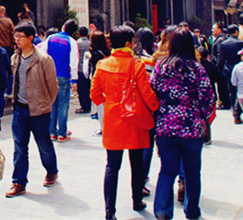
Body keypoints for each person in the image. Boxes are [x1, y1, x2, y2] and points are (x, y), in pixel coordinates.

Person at [90, 25, 159, 220]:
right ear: (129, 43)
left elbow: (94, 95)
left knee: (112, 166)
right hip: (134, 119)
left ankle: (109, 211)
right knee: (136, 163)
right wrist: (156, 107)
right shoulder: (136, 65)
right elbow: (146, 93)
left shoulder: (102, 65)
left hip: (113, 121)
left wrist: (110, 102)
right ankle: (137, 200)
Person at [151, 29, 215, 220]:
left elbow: (152, 93)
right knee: (192, 172)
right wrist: (202, 117)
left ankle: (162, 211)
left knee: (167, 171)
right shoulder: (197, 69)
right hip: (191, 128)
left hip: (166, 127)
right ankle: (192, 210)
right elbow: (207, 98)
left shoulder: (161, 67)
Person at [6, 21, 59, 198]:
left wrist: (45, 104)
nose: (16, 39)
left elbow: (53, 87)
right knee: (19, 147)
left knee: (44, 144)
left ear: (30, 38)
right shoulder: (15, 57)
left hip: (39, 111)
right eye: (15, 36)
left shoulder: (44, 59)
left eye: (20, 36)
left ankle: (51, 170)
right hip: (20, 110)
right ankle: (19, 182)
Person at [38, 19, 79, 142]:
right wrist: (74, 80)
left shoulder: (50, 38)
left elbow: (41, 55)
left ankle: (51, 133)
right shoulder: (71, 42)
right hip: (64, 75)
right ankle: (62, 133)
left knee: (52, 104)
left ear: (64, 26)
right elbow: (74, 63)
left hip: (50, 74)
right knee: (63, 105)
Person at [133, 27, 157, 196]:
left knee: (135, 144)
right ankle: (142, 178)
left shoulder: (131, 59)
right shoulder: (151, 60)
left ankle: (137, 179)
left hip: (130, 106)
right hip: (148, 106)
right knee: (147, 143)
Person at [217, 25, 243, 124]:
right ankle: (238, 111)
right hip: (241, 69)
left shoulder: (223, 44)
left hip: (229, 70)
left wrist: (219, 69)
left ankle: (235, 111)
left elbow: (221, 59)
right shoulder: (241, 43)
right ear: (236, 32)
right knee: (241, 90)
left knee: (232, 91)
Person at [86, 30, 111, 132]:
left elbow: (92, 68)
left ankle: (103, 127)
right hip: (108, 78)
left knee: (100, 104)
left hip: (98, 79)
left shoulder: (95, 54)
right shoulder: (107, 51)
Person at [209, 22, 230, 109]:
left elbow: (219, 55)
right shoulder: (220, 38)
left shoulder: (220, 40)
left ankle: (225, 102)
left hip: (221, 67)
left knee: (222, 86)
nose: (212, 30)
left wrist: (218, 67)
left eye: (214, 28)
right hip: (223, 67)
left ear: (219, 29)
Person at [75, 26, 92, 114]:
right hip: (88, 69)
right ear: (87, 34)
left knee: (81, 89)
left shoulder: (77, 43)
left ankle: (84, 106)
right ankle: (88, 105)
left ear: (79, 34)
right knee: (87, 88)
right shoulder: (90, 43)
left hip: (80, 69)